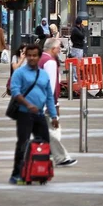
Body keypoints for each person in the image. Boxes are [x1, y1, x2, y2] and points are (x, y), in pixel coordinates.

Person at [9, 44, 59, 185]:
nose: (31, 58)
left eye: (34, 55)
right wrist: (27, 104)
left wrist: (54, 116)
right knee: (23, 144)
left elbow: (49, 96)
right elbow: (15, 92)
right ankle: (17, 174)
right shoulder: (19, 73)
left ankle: (41, 171)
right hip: (24, 114)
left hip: (40, 115)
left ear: (39, 57)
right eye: (29, 55)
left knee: (45, 143)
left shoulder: (43, 75)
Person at [39, 38, 77, 167]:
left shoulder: (40, 58)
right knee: (53, 131)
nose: (60, 50)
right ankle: (60, 157)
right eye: (59, 48)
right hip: (45, 102)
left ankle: (46, 153)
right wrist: (53, 105)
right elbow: (50, 85)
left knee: (46, 130)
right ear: (53, 49)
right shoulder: (50, 62)